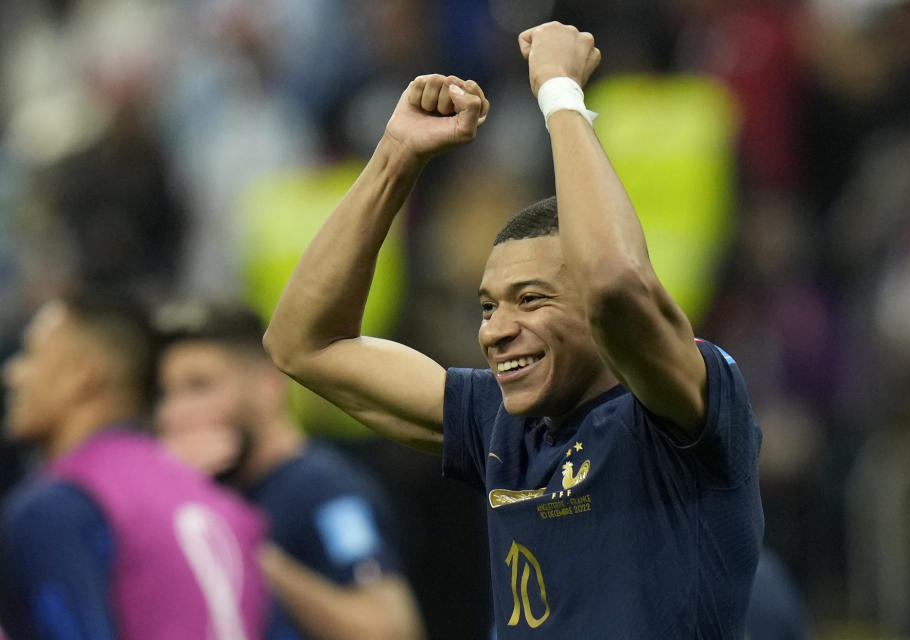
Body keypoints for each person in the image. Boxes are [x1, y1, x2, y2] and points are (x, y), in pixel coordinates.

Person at [263, 21, 763, 638]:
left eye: (531, 300)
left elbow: (612, 283)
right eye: (487, 307)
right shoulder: (500, 425)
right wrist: (397, 154)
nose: (497, 330)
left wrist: (559, 93)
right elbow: (302, 344)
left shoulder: (681, 411)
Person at [0, 290, 268, 640]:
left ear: (83, 375)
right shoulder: (223, 505)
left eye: (31, 355)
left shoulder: (59, 507)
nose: (13, 373)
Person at [153, 301, 425, 640]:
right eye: (166, 393)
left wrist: (243, 547)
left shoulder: (326, 490)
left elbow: (390, 631)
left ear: (268, 386)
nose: (173, 412)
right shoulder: (207, 491)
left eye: (199, 386)